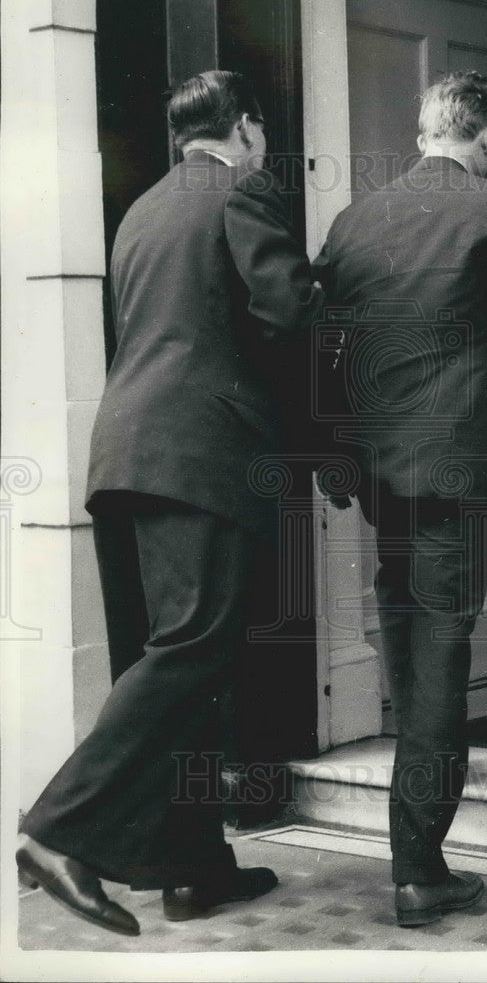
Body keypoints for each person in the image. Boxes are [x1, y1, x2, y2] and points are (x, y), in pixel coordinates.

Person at [17, 70, 323, 936]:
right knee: (193, 648)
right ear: (248, 130)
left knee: (181, 656)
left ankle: (192, 868)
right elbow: (287, 311)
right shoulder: (241, 190)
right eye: (261, 135)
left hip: (124, 453)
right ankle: (54, 832)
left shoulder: (141, 211)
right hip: (202, 455)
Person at [313, 70, 487, 927]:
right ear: (485, 134)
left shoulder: (352, 220)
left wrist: (338, 458)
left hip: (382, 472)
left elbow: (325, 348)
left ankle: (414, 854)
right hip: (455, 466)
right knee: (440, 656)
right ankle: (417, 867)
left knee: (409, 640)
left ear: (425, 130)